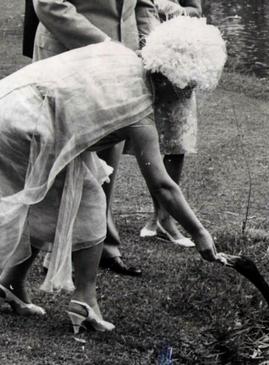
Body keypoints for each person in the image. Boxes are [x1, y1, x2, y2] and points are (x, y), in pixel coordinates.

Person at [0, 17, 227, 332]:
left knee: (50, 198)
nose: (187, 96)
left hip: (9, 103)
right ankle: (85, 300)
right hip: (26, 123)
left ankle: (11, 283)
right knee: (89, 205)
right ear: (169, 79)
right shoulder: (141, 113)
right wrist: (200, 233)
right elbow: (163, 185)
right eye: (187, 88)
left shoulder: (121, 54)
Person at [31, 0, 160, 276]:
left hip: (122, 60)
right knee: (63, 156)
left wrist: (154, 49)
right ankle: (54, 250)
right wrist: (104, 45)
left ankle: (104, 246)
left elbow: (144, 5)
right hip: (69, 53)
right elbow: (49, 4)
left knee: (108, 154)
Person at [137, 0, 203, 248]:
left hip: (178, 61)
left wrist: (176, 11)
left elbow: (196, 11)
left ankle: (164, 217)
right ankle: (158, 214)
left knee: (175, 143)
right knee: (149, 143)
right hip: (143, 58)